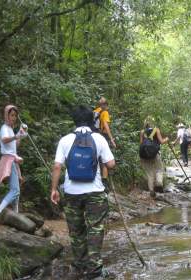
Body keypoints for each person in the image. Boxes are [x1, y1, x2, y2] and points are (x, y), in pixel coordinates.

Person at [50, 105, 115, 279]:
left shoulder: (65, 140)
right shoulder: (99, 139)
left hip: (71, 192)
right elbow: (111, 164)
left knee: (76, 230)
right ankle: (94, 270)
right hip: (95, 192)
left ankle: (79, 265)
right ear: (90, 120)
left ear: (75, 121)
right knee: (95, 229)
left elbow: (57, 166)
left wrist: (54, 189)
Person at [0, 105, 28, 217]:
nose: (13, 118)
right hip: (9, 159)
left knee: (16, 190)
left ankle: (16, 214)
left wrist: (20, 135)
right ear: (6, 115)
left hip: (13, 158)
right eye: (11, 115)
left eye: (15, 116)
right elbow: (4, 140)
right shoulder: (4, 128)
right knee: (15, 190)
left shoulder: (10, 129)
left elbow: (15, 146)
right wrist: (16, 136)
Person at [139, 117, 168, 198]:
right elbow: (161, 142)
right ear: (152, 123)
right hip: (155, 154)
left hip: (144, 156)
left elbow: (141, 144)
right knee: (159, 169)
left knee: (149, 174)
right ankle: (159, 183)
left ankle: (151, 191)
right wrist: (167, 139)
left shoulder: (142, 132)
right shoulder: (156, 130)